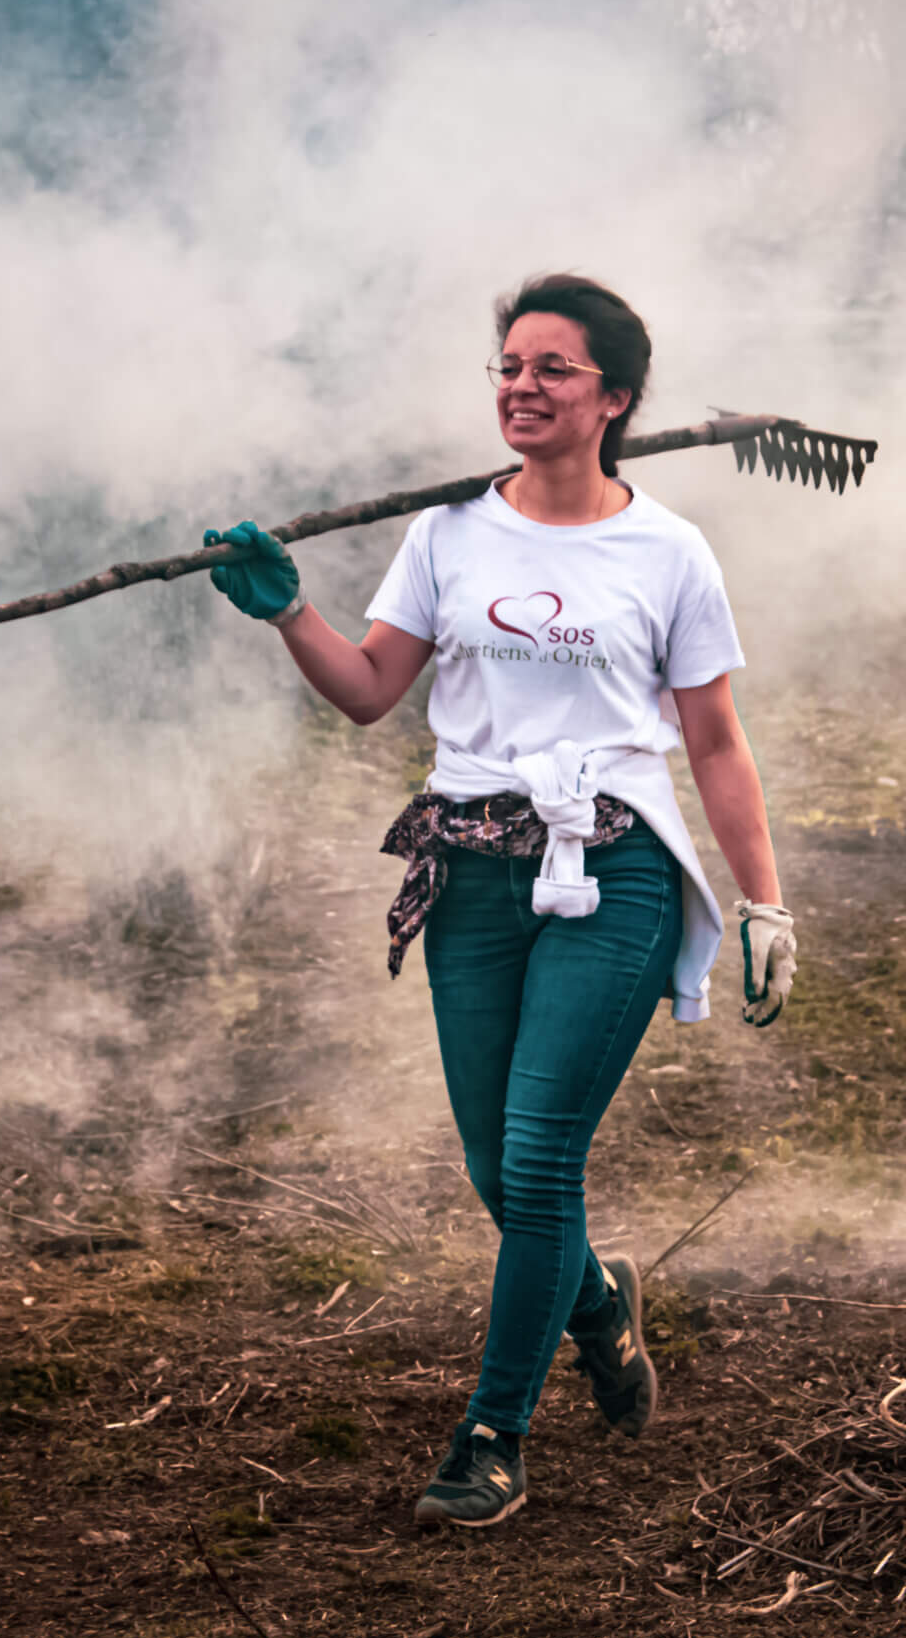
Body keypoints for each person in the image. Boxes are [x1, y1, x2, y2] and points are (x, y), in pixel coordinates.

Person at [200, 273, 796, 1529]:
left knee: (538, 1156)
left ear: (614, 399)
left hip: (613, 865)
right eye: (508, 367)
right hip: (471, 867)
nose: (521, 388)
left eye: (552, 370)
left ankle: (492, 1433)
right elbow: (370, 691)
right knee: (498, 1167)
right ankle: (596, 1301)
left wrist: (763, 903)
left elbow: (717, 743)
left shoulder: (668, 552)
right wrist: (288, 610)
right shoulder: (447, 534)